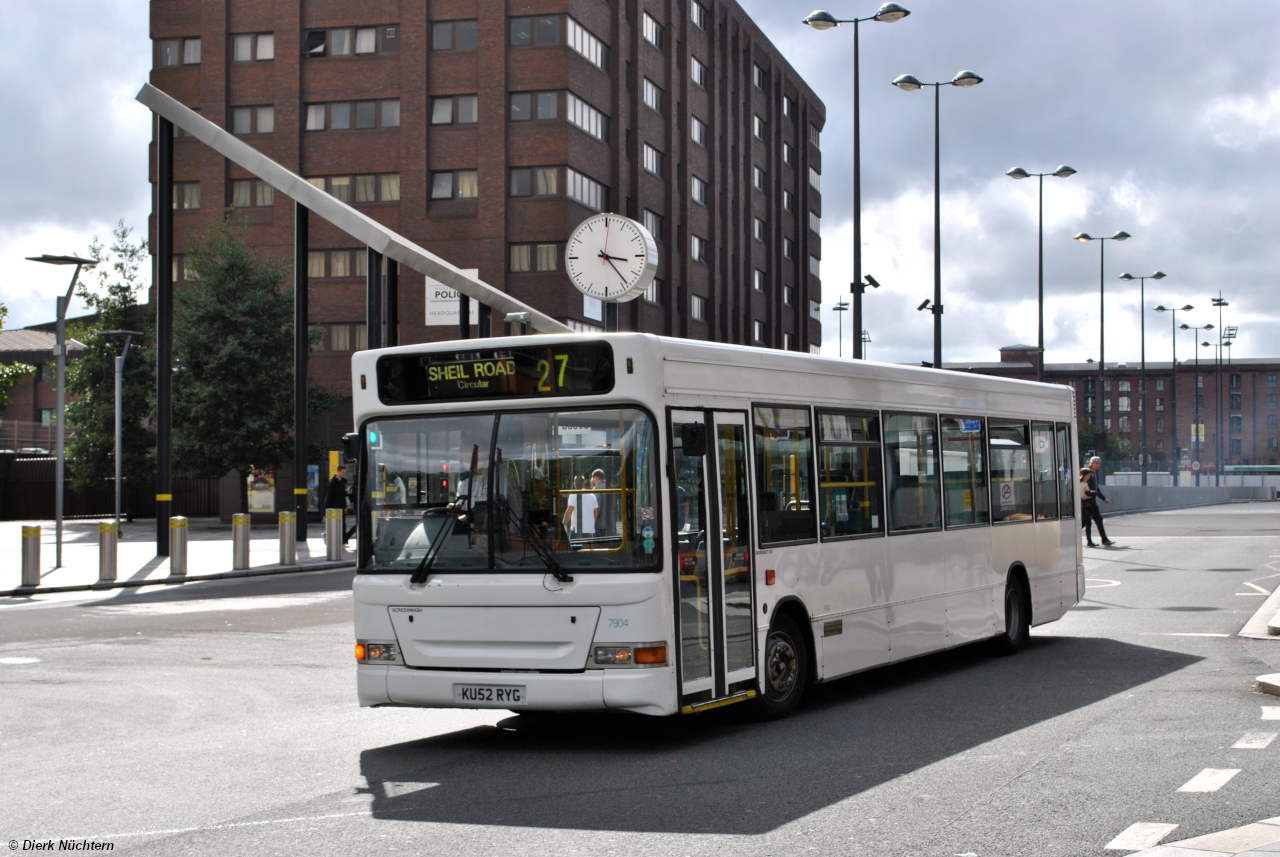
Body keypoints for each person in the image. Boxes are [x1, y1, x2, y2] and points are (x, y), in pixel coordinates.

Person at [1081, 456, 1114, 547]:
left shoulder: (1094, 474)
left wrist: (1103, 498)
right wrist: (1093, 493)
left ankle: (1104, 539)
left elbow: (1096, 489)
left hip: (1092, 501)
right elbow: (1087, 488)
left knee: (1095, 520)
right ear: (1091, 463)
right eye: (1096, 463)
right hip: (1088, 501)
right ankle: (1101, 540)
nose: (1098, 465)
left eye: (1099, 463)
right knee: (1085, 522)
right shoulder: (1089, 474)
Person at [325, 465, 351, 546]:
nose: (344, 474)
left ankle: (343, 540)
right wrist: (327, 507)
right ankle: (330, 537)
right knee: (334, 523)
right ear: (338, 471)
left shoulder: (344, 481)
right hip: (334, 505)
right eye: (343, 472)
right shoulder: (333, 482)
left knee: (343, 523)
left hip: (342, 505)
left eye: (345, 472)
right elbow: (331, 495)